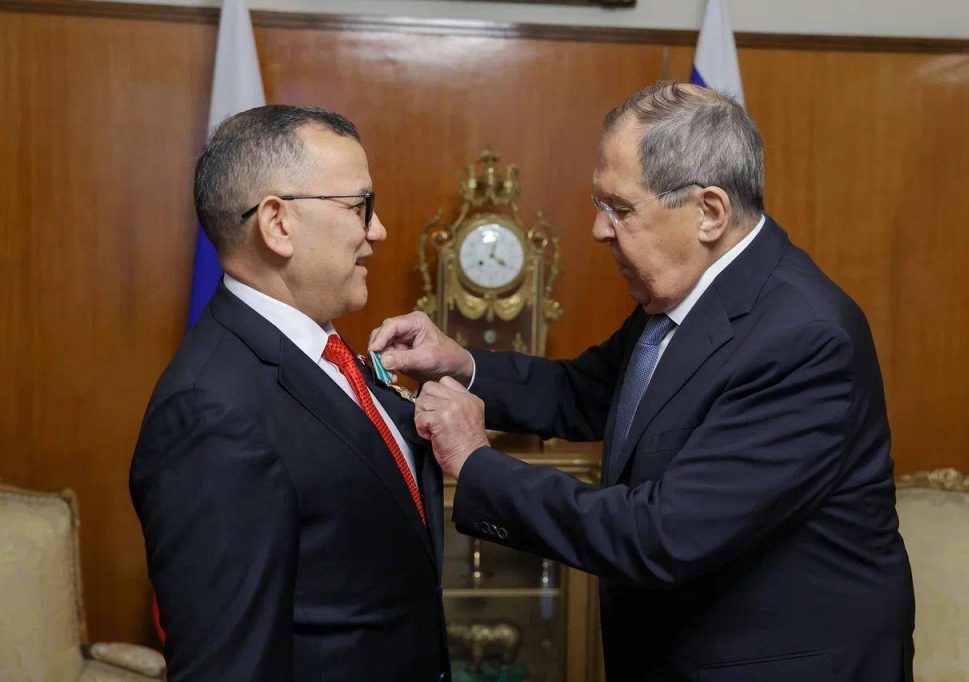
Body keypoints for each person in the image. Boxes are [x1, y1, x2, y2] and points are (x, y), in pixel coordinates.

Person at [371, 83, 914, 682]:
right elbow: (585, 392)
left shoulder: (804, 337)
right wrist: (458, 362)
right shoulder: (692, 291)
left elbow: (662, 534)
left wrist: (476, 462)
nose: (599, 230)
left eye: (620, 209)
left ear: (709, 213)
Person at [130, 105, 449, 681]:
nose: (377, 229)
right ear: (277, 222)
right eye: (359, 205)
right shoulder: (210, 412)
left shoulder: (323, 349)